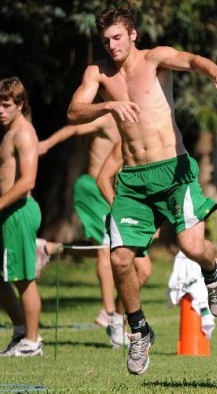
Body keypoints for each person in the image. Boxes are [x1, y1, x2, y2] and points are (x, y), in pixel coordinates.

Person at [67, 6, 217, 375]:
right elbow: (74, 111)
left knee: (192, 246)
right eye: (106, 40)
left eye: (118, 37)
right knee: (119, 259)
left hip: (173, 171)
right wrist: (109, 104)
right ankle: (140, 330)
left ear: (133, 34)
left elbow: (192, 60)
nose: (112, 46)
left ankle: (212, 273)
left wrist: (216, 71)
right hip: (132, 179)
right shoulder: (97, 72)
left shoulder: (155, 59)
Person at [38, 114, 152, 349]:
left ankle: (49, 248)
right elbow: (74, 129)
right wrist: (47, 143)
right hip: (94, 189)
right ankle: (109, 311)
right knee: (103, 247)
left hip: (119, 196)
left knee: (139, 267)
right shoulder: (108, 119)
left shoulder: (141, 127)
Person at [0, 77, 44, 357]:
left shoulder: (24, 133)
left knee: (22, 277)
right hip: (7, 213)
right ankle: (20, 331)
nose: (0, 110)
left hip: (19, 211)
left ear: (20, 105)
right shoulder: (9, 132)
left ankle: (32, 342)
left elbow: (27, 181)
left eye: (6, 105)